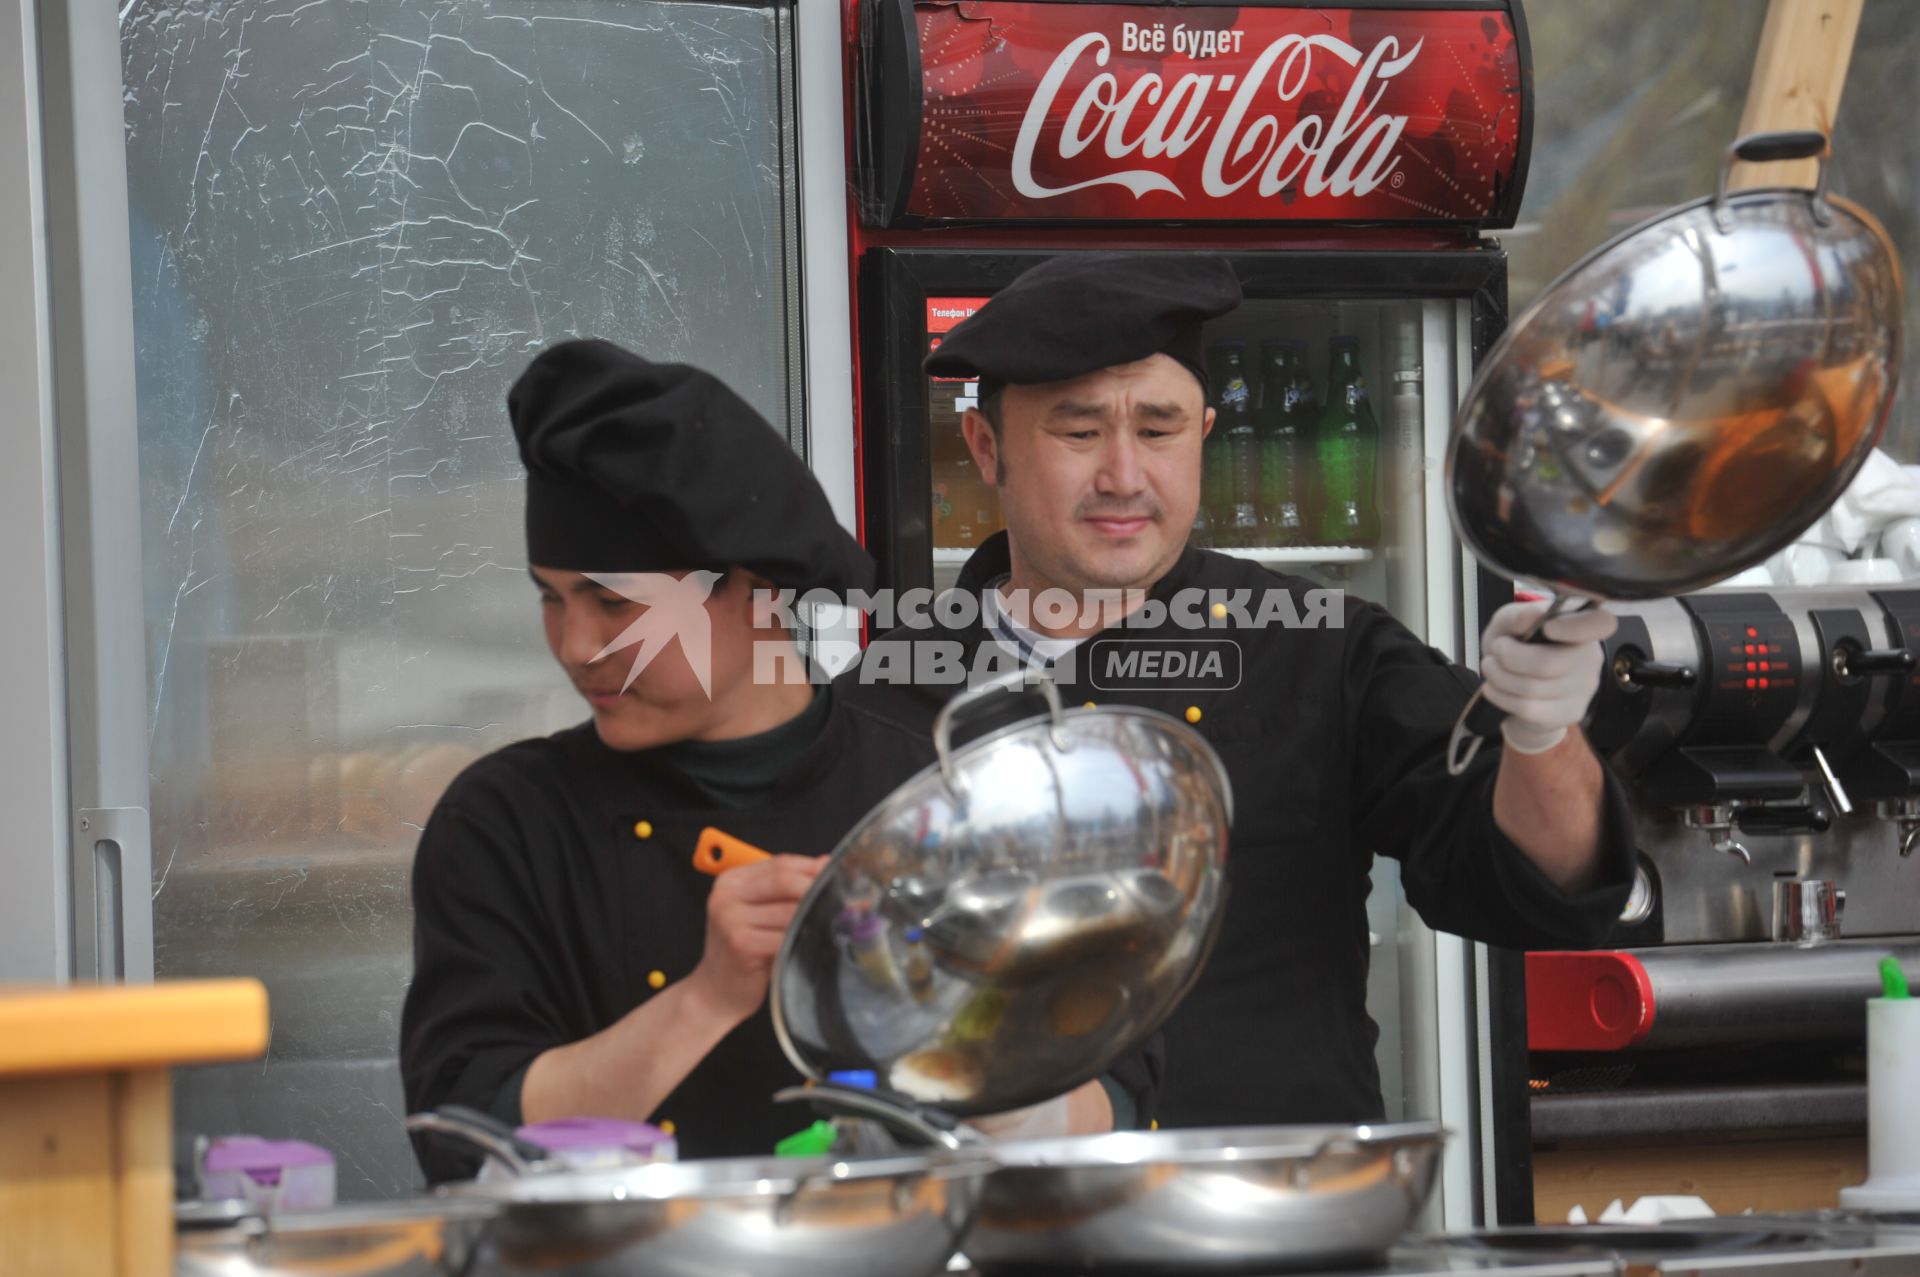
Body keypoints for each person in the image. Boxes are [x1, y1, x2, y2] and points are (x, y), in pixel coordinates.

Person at [838, 254, 1635, 1130]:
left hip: (1283, 1226)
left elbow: (1538, 884)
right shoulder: (889, 692)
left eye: (1158, 428)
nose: (1123, 475)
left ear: (1205, 434)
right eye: (1078, 432)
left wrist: (1542, 731)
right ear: (986, 449)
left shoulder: (1324, 647)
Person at [400, 340, 1123, 1183]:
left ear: (761, 589)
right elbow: (458, 1132)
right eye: (551, 599)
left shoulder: (942, 789)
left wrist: (955, 1022)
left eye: (615, 602)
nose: (577, 645)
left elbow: (1114, 1095)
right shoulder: (507, 820)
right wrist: (705, 999)